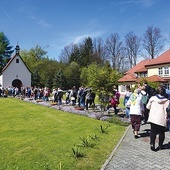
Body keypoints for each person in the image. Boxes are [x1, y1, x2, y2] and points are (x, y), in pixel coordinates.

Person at [146, 85, 169, 151]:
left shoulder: (152, 98)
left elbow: (148, 107)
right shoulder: (167, 101)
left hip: (153, 118)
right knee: (162, 132)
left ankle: (152, 143)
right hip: (162, 119)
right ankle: (160, 145)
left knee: (153, 131)